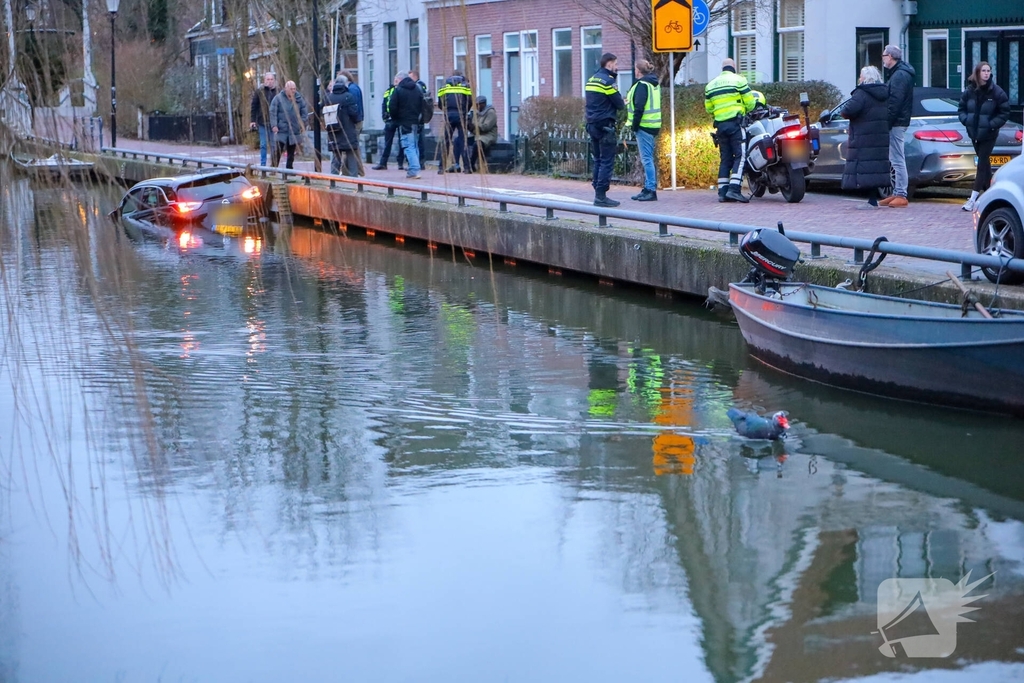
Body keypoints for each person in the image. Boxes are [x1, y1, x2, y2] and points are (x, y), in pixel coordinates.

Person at [958, 61, 1010, 212]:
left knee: (981, 163)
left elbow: (1004, 112)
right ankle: (991, 195)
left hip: (989, 134)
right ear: (978, 73)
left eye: (988, 71)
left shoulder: (996, 92)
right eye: (984, 71)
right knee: (985, 165)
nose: (987, 73)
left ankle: (973, 199)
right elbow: (961, 108)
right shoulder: (970, 91)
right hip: (974, 133)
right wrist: (966, 120)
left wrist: (991, 124)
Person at [840, 66, 891, 209]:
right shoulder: (884, 93)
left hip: (863, 135)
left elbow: (848, 110)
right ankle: (873, 198)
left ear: (865, 78)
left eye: (861, 76)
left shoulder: (861, 93)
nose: (859, 78)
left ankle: (871, 200)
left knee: (865, 165)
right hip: (879, 135)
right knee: (875, 165)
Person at [704, 57, 755, 203]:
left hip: (720, 126)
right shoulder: (739, 81)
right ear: (734, 67)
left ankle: (722, 192)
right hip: (736, 125)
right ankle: (734, 189)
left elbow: (709, 108)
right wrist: (743, 109)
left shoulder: (711, 85)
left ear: (722, 68)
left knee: (725, 158)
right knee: (740, 155)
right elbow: (750, 103)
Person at [585, 52, 626, 207]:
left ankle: (597, 189)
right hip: (605, 126)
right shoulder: (607, 82)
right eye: (615, 64)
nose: (616, 67)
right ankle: (601, 195)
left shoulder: (591, 79)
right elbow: (620, 104)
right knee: (607, 161)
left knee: (597, 160)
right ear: (609, 64)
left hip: (592, 124)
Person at [881, 44, 915, 208]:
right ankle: (897, 191)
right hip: (899, 121)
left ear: (890, 57)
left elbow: (895, 102)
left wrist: (886, 122)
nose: (883, 58)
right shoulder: (899, 73)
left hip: (896, 122)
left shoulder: (899, 76)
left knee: (897, 158)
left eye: (884, 55)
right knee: (895, 158)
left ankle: (901, 193)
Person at [626, 59, 661, 202]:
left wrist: (634, 125)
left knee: (646, 159)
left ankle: (651, 190)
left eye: (635, 69)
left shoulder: (642, 85)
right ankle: (647, 188)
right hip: (653, 125)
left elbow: (639, 107)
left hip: (644, 126)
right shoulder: (653, 84)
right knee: (648, 158)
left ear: (638, 70)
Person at [389, 70, 424, 179]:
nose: (395, 83)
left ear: (400, 80)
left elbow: (392, 107)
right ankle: (416, 167)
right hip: (416, 122)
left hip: (404, 123)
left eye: (396, 80)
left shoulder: (398, 91)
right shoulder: (417, 89)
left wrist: (396, 119)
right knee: (415, 146)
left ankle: (414, 169)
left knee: (408, 146)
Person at [437, 70, 473, 173]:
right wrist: (464, 112)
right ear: (461, 77)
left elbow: (440, 104)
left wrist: (446, 111)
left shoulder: (443, 88)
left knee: (446, 141)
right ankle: (467, 168)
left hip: (449, 116)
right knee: (463, 141)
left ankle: (441, 167)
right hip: (461, 115)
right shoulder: (465, 87)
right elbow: (469, 102)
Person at [324, 75, 360, 176]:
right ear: (345, 84)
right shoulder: (348, 96)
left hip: (333, 131)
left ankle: (333, 178)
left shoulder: (328, 97)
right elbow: (354, 114)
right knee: (351, 155)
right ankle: (354, 179)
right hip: (348, 131)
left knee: (336, 156)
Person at [269, 80, 309, 169]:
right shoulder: (278, 98)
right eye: (291, 89)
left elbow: (304, 112)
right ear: (286, 88)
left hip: (294, 128)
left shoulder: (299, 99)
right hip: (281, 128)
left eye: (294, 89)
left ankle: (289, 168)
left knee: (291, 150)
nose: (293, 91)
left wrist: (302, 124)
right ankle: (273, 168)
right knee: (278, 149)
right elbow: (273, 112)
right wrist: (274, 125)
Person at [373, 76, 405, 171]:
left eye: (397, 80)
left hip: (400, 119)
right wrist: (384, 116)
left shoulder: (402, 91)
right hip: (390, 119)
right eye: (395, 79)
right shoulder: (388, 91)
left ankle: (400, 163)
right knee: (387, 142)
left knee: (401, 142)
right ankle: (383, 162)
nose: (395, 81)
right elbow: (384, 103)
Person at [249, 72, 278, 166]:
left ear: (274, 80)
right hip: (262, 122)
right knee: (263, 145)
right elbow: (254, 105)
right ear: (264, 80)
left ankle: (273, 165)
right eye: (268, 79)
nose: (269, 82)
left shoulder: (277, 92)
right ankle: (263, 165)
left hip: (274, 123)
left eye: (271, 79)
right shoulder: (259, 91)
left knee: (274, 145)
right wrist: (252, 120)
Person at [466, 96, 497, 173]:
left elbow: (486, 127)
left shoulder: (491, 113)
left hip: (488, 135)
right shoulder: (476, 112)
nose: (477, 106)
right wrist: (469, 126)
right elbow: (474, 127)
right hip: (477, 134)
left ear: (483, 104)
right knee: (459, 141)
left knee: (478, 143)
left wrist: (474, 126)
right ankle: (458, 163)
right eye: (476, 105)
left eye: (478, 104)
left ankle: (471, 164)